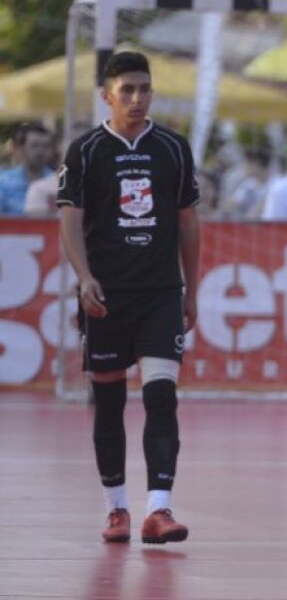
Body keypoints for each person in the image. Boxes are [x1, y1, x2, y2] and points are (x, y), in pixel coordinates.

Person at [56, 51, 200, 545]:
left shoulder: (173, 148)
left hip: (160, 294)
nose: (137, 99)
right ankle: (116, 508)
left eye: (144, 89)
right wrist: (84, 278)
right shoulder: (86, 151)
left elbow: (188, 222)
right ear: (107, 96)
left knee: (161, 397)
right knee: (110, 402)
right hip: (107, 297)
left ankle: (159, 509)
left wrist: (191, 288)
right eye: (127, 90)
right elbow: (69, 220)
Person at [0, 123, 55, 215]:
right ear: (23, 148)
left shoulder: (56, 183)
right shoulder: (3, 182)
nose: (40, 151)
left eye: (46, 146)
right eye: (35, 145)